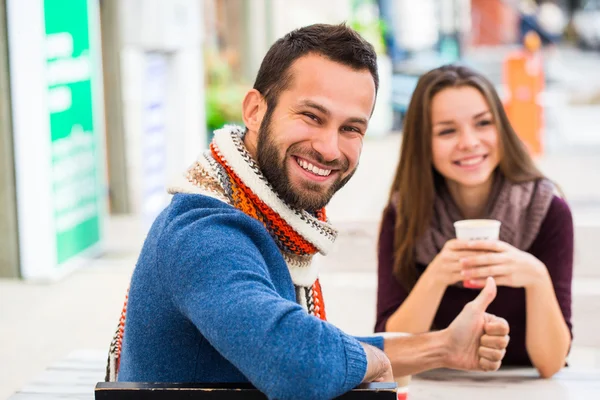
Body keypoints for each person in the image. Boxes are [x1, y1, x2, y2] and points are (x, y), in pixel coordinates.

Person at [110, 25, 510, 400]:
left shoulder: (258, 213)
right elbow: (297, 361)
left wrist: (444, 346)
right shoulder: (205, 232)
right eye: (311, 117)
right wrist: (377, 363)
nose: (330, 148)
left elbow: (303, 344)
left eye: (351, 129)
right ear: (254, 111)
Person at [375, 64, 573, 379]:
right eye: (447, 131)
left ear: (502, 129)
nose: (469, 142)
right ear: (423, 143)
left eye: (483, 123)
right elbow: (389, 357)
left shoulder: (547, 209)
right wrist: (437, 274)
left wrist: (536, 277)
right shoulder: (403, 215)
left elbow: (550, 364)